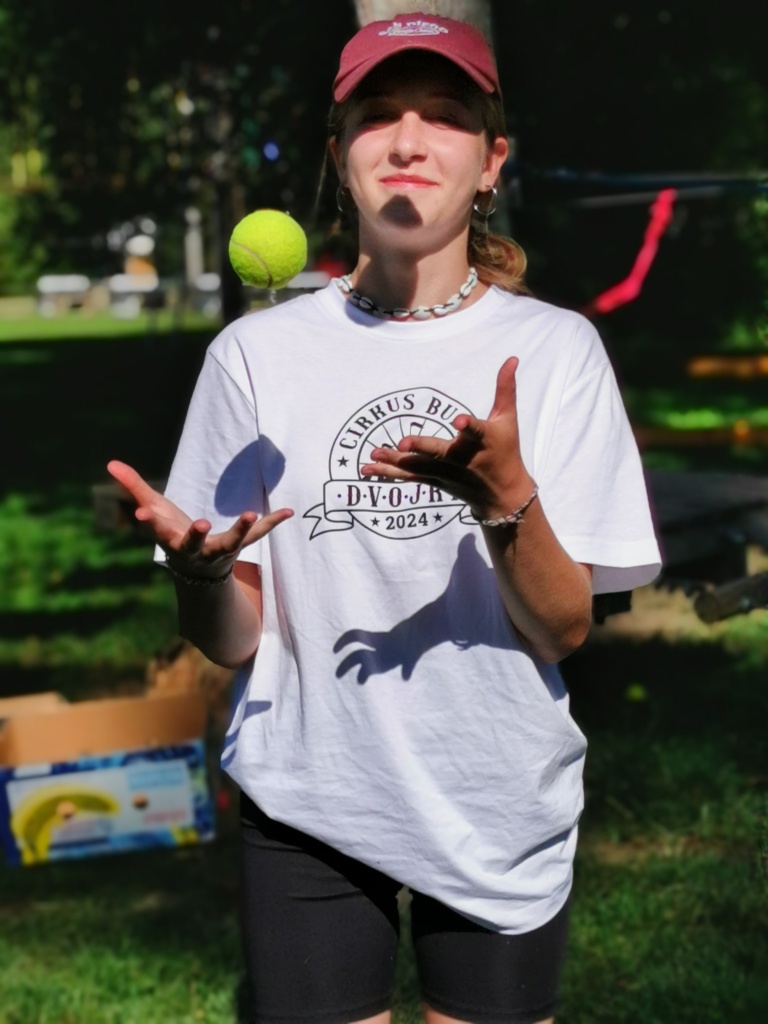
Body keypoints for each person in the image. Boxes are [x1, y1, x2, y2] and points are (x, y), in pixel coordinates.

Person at [109, 12, 661, 1024]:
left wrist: (506, 501)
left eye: (444, 115)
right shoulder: (255, 355)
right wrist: (201, 575)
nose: (408, 139)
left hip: (497, 795)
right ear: (340, 157)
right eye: (378, 115)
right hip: (309, 792)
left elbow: (563, 629)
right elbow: (235, 639)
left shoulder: (556, 352)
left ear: (492, 161)